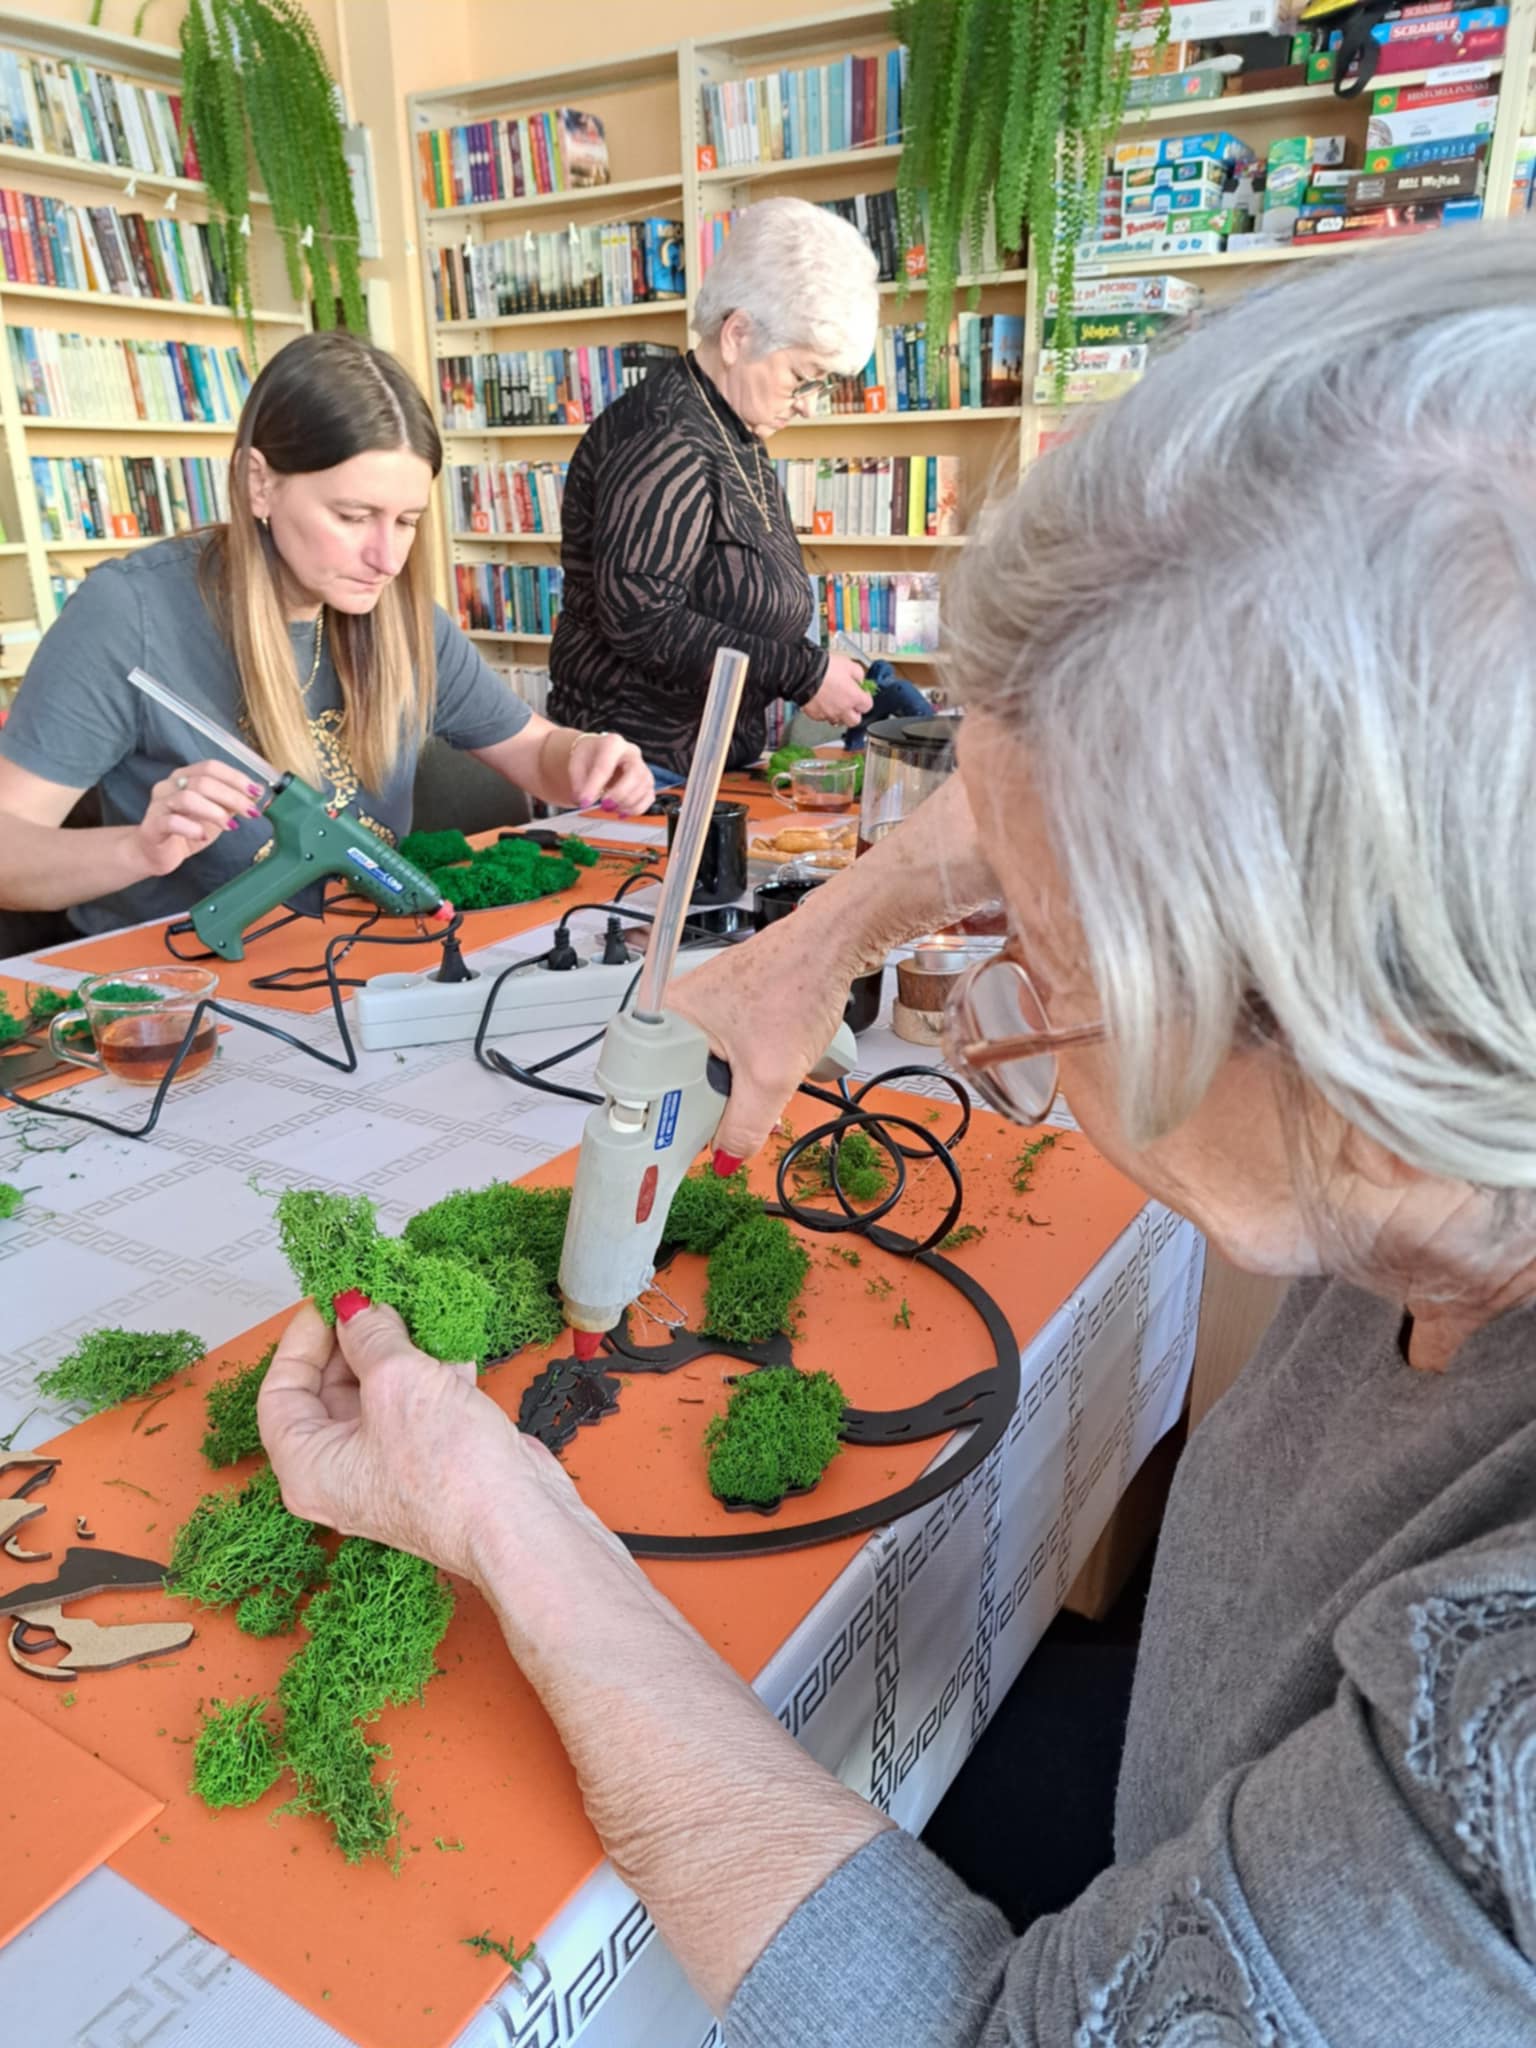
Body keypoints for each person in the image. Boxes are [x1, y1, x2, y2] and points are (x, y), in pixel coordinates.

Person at [259, 227, 1536, 2045]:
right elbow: (1057, 755)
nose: (1006, 983)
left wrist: (493, 1507)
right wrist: (818, 943)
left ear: (1368, 1053)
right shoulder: (1462, 1123)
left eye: (1042, 956)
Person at [0, 330, 652, 939]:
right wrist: (137, 849)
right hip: (174, 982)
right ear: (260, 483)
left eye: (406, 521)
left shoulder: (396, 613)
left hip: (356, 959)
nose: (387, 558)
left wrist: (585, 760)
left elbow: (535, 754)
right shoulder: (128, 614)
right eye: (352, 515)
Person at [548, 196, 928, 783]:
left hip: (708, 764)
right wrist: (803, 674)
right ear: (737, 334)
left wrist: (823, 669)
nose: (807, 404)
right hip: (638, 772)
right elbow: (641, 619)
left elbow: (732, 596)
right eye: (802, 378)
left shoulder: (732, 426)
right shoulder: (664, 436)